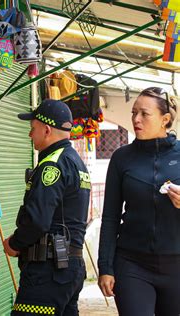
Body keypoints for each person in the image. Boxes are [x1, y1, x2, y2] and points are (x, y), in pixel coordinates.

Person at [2, 99, 91, 316]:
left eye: (33, 129)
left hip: (48, 271)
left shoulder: (52, 165)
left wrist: (14, 243)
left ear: (47, 129)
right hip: (70, 267)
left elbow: (38, 220)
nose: (30, 135)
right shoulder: (76, 163)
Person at [98, 87, 180, 316]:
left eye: (144, 114)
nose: (136, 119)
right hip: (132, 264)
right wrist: (105, 266)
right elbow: (110, 216)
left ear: (165, 120)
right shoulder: (121, 158)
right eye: (134, 112)